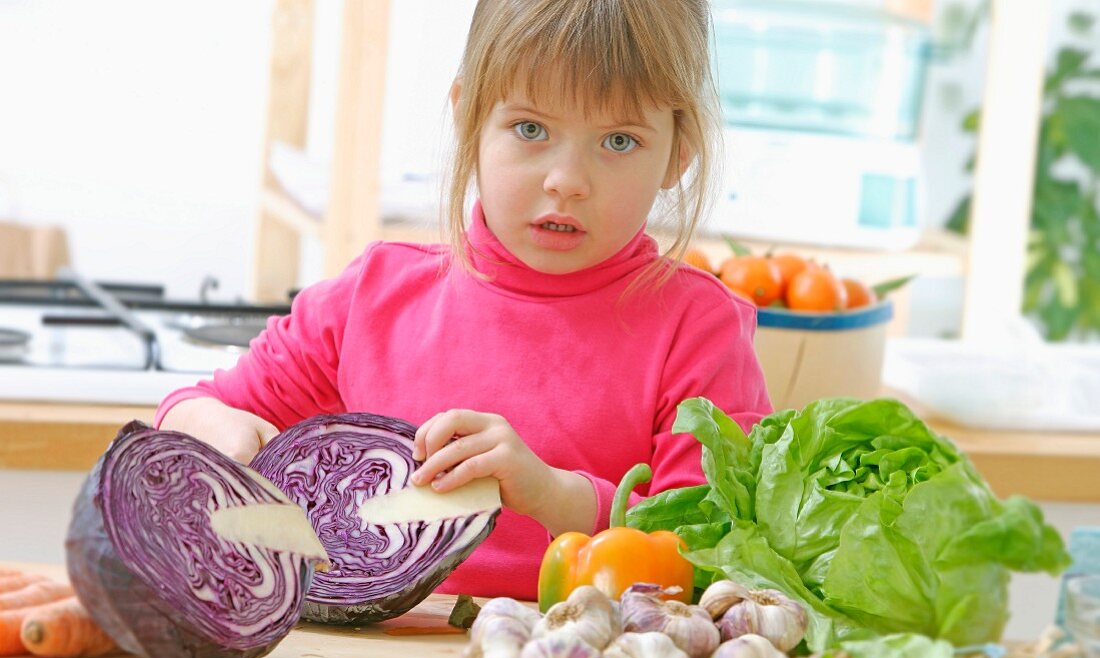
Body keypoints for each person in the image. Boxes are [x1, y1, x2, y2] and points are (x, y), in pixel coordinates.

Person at [157, 0, 772, 600]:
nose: (567, 180)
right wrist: (217, 431)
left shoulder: (700, 330)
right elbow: (190, 407)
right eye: (531, 129)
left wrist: (556, 496)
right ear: (468, 116)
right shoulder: (372, 298)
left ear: (679, 152)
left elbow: (718, 546)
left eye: (618, 141)